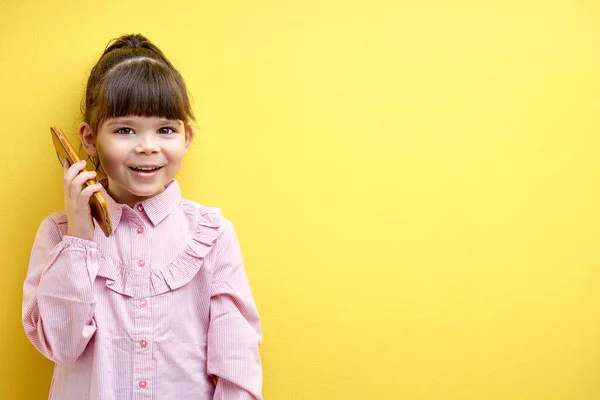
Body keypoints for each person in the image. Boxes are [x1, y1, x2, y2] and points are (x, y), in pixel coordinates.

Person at [22, 33, 263, 399]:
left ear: (187, 137)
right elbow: (61, 347)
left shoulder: (212, 234)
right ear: (88, 139)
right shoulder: (58, 235)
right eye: (124, 130)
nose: (147, 145)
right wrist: (79, 239)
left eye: (165, 129)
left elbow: (237, 365)